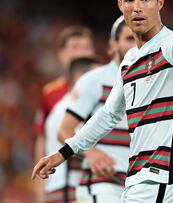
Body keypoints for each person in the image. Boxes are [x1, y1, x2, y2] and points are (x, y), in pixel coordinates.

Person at [32, 0, 173, 203]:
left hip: (162, 176)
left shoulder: (171, 46)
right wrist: (62, 154)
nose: (137, 7)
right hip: (138, 178)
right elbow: (108, 115)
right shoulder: (130, 60)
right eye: (129, 0)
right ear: (120, 6)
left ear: (160, 3)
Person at [58, 16, 136, 202]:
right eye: (129, 39)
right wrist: (91, 153)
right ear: (113, 44)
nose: (136, 45)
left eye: (140, 38)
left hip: (136, 183)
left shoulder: (150, 81)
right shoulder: (95, 79)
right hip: (102, 181)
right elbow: (64, 130)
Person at [33, 25, 95, 203]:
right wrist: (40, 187)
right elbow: (42, 138)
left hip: (93, 179)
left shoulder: (104, 87)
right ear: (61, 54)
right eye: (75, 48)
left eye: (87, 47)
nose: (82, 53)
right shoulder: (51, 93)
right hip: (58, 182)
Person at [43, 57, 100, 203]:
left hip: (64, 187)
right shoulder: (70, 108)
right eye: (98, 76)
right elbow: (64, 135)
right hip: (67, 189)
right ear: (80, 77)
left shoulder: (65, 106)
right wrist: (95, 155)